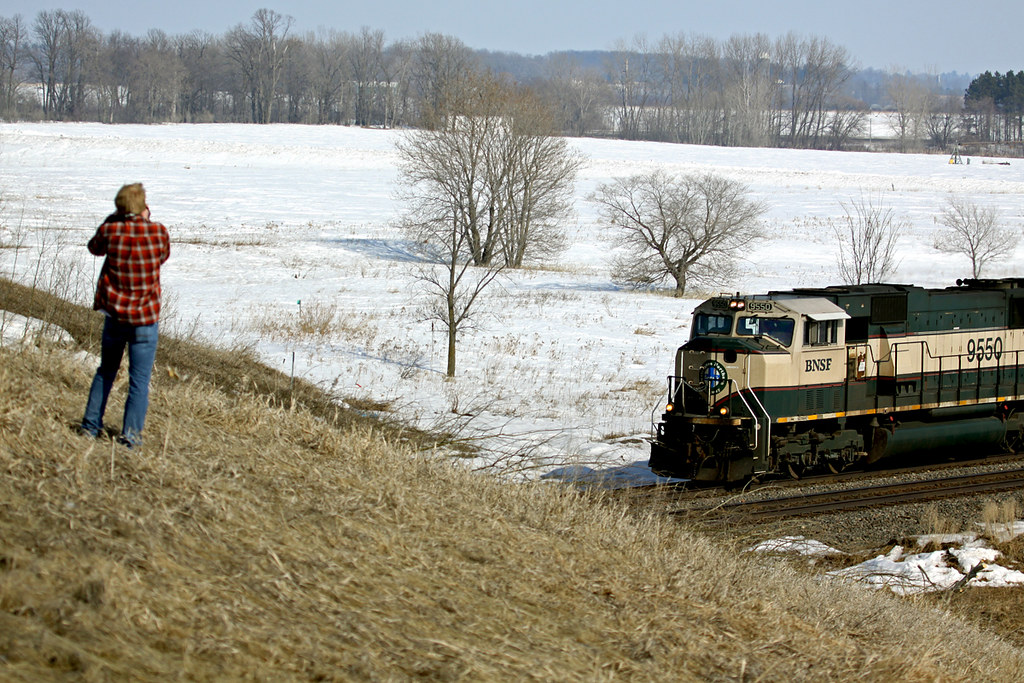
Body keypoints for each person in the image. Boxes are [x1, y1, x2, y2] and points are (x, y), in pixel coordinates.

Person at [79, 183, 170, 449]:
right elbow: (163, 256)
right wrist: (146, 222)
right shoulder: (157, 232)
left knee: (105, 372)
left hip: (116, 317)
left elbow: (94, 248)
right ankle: (130, 438)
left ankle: (90, 427)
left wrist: (114, 222)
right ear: (142, 206)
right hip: (145, 319)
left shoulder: (111, 228)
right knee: (139, 381)